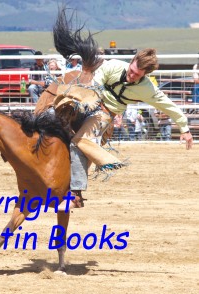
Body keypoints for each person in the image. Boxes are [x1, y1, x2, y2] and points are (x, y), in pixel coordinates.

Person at [51, 7, 193, 211]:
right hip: (88, 101)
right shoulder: (114, 65)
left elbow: (167, 105)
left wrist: (185, 129)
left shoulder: (147, 89)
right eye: (132, 70)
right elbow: (95, 83)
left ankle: (75, 195)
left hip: (104, 115)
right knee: (51, 114)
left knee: (78, 142)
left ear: (144, 74)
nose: (132, 75)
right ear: (133, 61)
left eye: (137, 75)